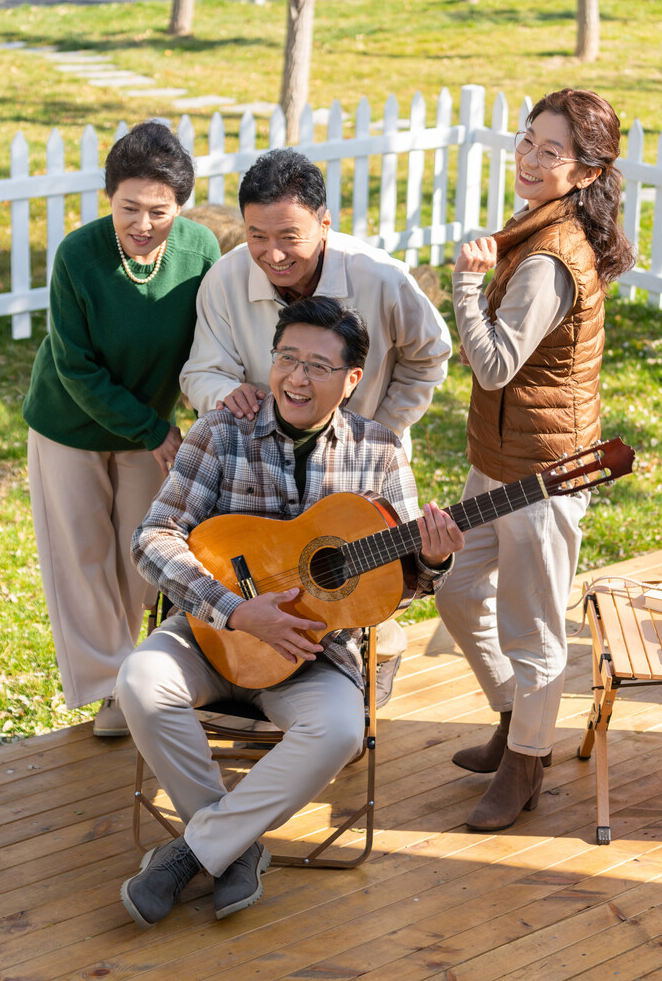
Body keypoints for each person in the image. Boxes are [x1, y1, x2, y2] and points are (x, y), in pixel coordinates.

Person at [116, 297, 464, 928]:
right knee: (141, 680)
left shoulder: (379, 453)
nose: (297, 378)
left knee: (338, 730)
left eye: (318, 367)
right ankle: (236, 847)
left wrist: (432, 564)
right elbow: (153, 536)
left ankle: (197, 850)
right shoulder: (222, 430)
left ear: (351, 380)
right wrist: (235, 611)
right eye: (288, 359)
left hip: (313, 655)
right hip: (210, 636)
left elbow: (395, 589)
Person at [179, 147, 453, 705]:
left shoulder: (383, 278)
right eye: (257, 236)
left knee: (364, 577)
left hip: (356, 467)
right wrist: (225, 395)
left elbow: (432, 355)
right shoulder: (226, 280)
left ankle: (363, 659)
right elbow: (201, 369)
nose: (272, 254)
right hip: (255, 472)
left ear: (325, 223)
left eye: (289, 236)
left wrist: (382, 429)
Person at [435, 88, 636, 832]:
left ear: (584, 172)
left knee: (534, 630)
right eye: (525, 141)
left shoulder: (550, 258)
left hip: (542, 473)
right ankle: (515, 717)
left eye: (549, 151)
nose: (528, 158)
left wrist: (460, 281)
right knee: (457, 592)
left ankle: (525, 767)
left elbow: (492, 366)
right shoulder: (541, 225)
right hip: (502, 458)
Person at [23, 121, 220, 737]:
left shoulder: (200, 252)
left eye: (158, 211)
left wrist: (183, 421)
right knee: (81, 554)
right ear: (109, 199)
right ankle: (112, 690)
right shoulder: (78, 255)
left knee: (142, 554)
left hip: (150, 428)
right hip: (68, 426)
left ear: (179, 206)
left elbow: (207, 344)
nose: (142, 224)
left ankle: (134, 671)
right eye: (128, 208)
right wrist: (153, 431)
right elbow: (74, 366)